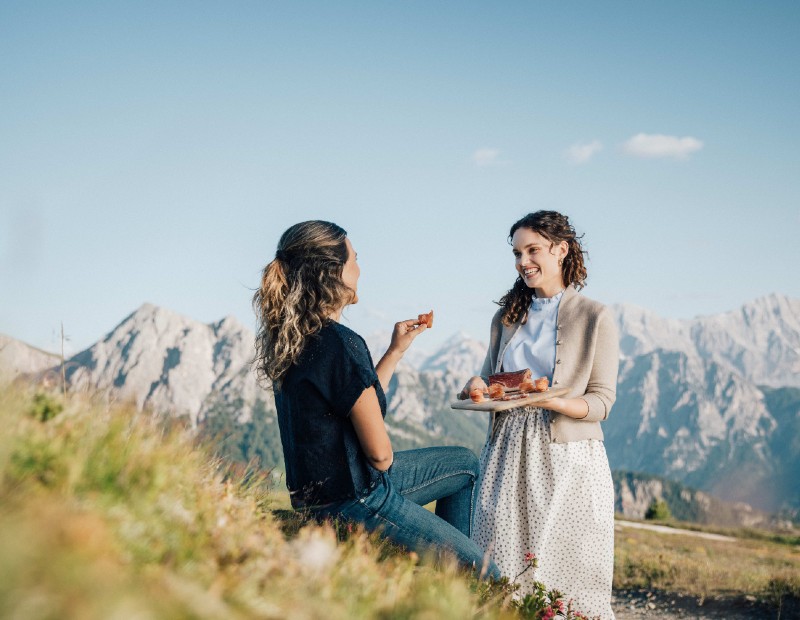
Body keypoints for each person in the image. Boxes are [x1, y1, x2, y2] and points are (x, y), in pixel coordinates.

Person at [254, 220, 500, 579]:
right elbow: (381, 457)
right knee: (487, 574)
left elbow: (357, 398)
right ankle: (460, 579)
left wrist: (395, 352)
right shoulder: (341, 342)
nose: (360, 267)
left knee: (463, 464)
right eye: (354, 258)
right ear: (333, 272)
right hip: (358, 501)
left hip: (318, 501)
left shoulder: (296, 341)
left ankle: (446, 579)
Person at [460, 211, 619, 617]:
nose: (522, 261)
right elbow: (490, 375)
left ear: (561, 250)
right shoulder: (506, 316)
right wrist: (478, 385)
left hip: (568, 456)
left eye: (533, 250)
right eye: (517, 253)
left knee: (569, 568)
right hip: (507, 449)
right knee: (499, 559)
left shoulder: (595, 316)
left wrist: (554, 402)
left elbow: (601, 401)